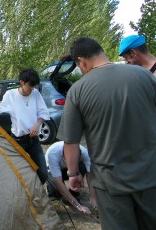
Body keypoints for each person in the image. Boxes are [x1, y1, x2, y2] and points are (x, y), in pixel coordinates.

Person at [57, 37, 156, 229]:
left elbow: (71, 142)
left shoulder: (77, 90)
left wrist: (73, 173)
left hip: (111, 184)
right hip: (150, 176)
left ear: (82, 61)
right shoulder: (143, 75)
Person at [0, 68, 49, 184]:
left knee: (43, 173)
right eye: (30, 86)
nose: (32, 88)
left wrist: (37, 125)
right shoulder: (11, 95)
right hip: (18, 140)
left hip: (33, 139)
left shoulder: (35, 93)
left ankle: (37, 193)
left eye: (34, 86)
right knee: (16, 172)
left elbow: (43, 112)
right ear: (22, 82)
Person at [45, 141, 96, 215]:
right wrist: (78, 206)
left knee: (82, 167)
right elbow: (58, 182)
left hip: (72, 171)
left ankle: (74, 193)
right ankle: (53, 194)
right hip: (55, 171)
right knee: (56, 189)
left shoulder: (85, 153)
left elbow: (90, 175)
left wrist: (93, 197)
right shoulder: (52, 154)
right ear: (63, 156)